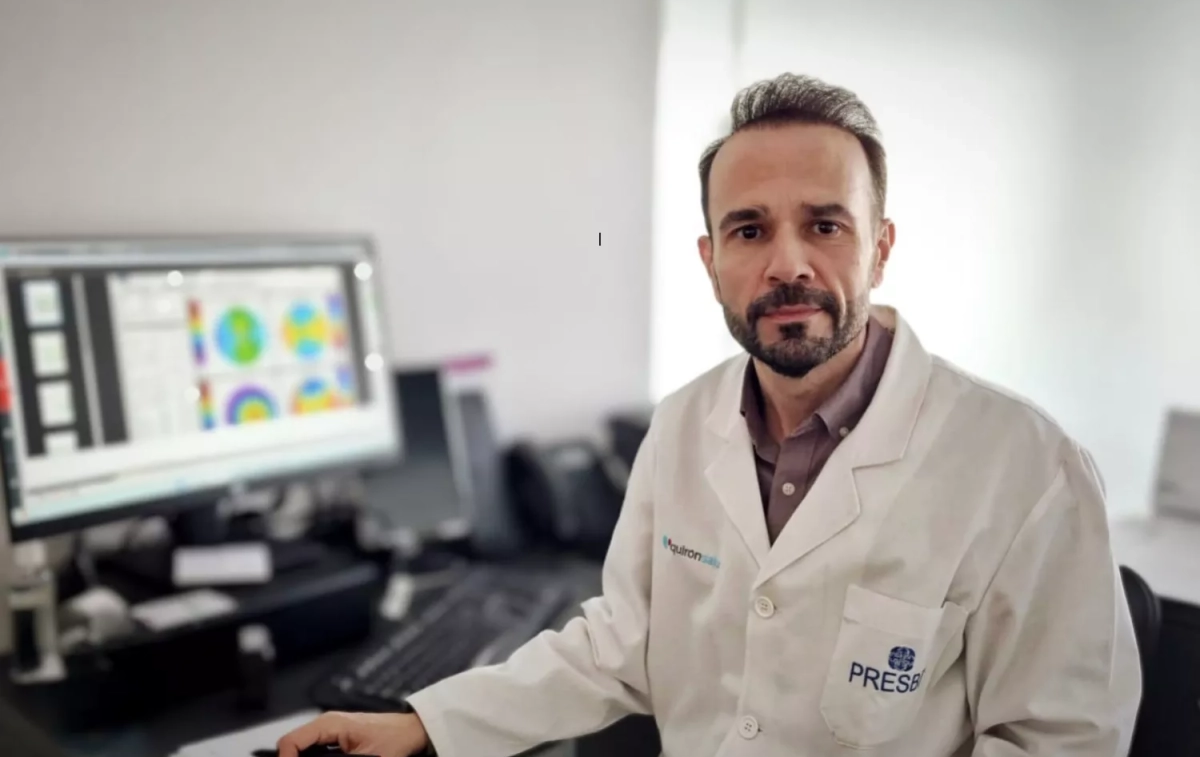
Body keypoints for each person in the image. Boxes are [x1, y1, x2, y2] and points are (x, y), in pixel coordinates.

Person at [278, 73, 1142, 757]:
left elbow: (1062, 739)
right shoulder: (683, 425)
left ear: (880, 247)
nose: (787, 263)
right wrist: (427, 724)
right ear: (711, 259)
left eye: (826, 225)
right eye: (749, 230)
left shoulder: (1026, 468)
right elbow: (621, 646)